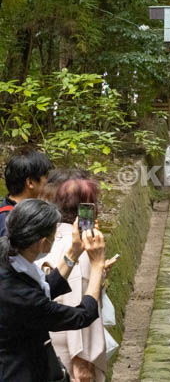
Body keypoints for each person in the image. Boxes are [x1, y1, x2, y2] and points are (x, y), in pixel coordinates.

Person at [0, 199, 106, 382]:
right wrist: (97, 266)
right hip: (19, 373)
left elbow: (45, 287)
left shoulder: (9, 258)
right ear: (43, 243)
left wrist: (74, 251)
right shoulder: (23, 297)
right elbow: (82, 315)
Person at [39, 178, 117, 381]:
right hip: (71, 360)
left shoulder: (51, 242)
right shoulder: (80, 251)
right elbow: (78, 311)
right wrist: (83, 367)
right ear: (87, 208)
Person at [1, 150, 54, 237]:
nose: (47, 181)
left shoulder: (15, 213)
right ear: (30, 183)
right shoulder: (11, 223)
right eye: (46, 177)